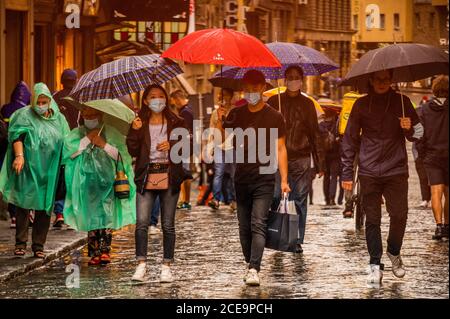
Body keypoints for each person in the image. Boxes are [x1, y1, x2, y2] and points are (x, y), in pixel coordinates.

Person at [341, 70, 423, 285]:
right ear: (370, 80)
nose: (382, 82)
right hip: (369, 170)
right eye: (378, 79)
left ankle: (394, 251)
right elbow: (349, 140)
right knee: (373, 220)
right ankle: (375, 263)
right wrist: (347, 172)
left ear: (392, 80)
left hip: (395, 169)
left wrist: (410, 128)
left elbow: (420, 132)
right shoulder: (361, 105)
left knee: (400, 215)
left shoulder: (403, 102)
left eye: (386, 79)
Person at [224, 70, 290, 286]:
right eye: (247, 89)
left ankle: (254, 268)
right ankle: (249, 262)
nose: (251, 93)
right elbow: (224, 140)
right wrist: (222, 120)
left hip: (265, 176)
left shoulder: (275, 116)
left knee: (258, 223)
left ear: (263, 88)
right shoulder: (238, 113)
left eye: (255, 88)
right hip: (241, 177)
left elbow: (281, 148)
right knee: (243, 227)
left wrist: (284, 180)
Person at [0, 83, 69, 258]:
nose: (41, 105)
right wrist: (19, 156)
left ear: (50, 101)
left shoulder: (59, 119)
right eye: (38, 102)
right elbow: (17, 136)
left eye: (44, 101)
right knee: (23, 204)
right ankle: (20, 244)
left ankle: (39, 245)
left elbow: (67, 141)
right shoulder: (24, 116)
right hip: (28, 168)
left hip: (50, 170)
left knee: (45, 208)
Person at [62, 105, 136, 265]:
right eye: (86, 115)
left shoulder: (112, 133)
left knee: (107, 216)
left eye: (93, 114)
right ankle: (94, 251)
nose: (90, 118)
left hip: (107, 181)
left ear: (101, 115)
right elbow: (69, 155)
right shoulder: (76, 134)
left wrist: (104, 144)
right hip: (86, 182)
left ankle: (105, 250)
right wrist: (86, 140)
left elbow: (121, 156)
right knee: (91, 216)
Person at [128, 85, 187, 282]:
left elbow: (187, 148)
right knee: (142, 222)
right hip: (146, 176)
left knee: (168, 224)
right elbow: (133, 151)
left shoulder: (177, 121)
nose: (157, 100)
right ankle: (141, 265)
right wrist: (135, 131)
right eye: (153, 97)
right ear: (145, 101)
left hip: (170, 176)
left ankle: (166, 266)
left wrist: (173, 144)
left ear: (167, 99)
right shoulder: (139, 122)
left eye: (161, 96)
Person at [267, 66, 325, 254]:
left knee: (300, 199)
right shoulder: (274, 102)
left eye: (296, 77)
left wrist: (319, 162)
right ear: (284, 80)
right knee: (276, 196)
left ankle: (297, 239)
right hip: (277, 156)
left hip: (300, 156)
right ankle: (277, 235)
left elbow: (315, 133)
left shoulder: (307, 104)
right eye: (290, 77)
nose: (293, 80)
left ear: (301, 80)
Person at [417, 75, 449, 240]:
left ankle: (438, 226)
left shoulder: (424, 109)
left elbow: (419, 135)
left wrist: (422, 154)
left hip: (432, 155)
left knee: (435, 192)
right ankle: (448, 226)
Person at [0, 81, 31, 228]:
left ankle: (13, 215)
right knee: (23, 182)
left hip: (6, 149)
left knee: (11, 181)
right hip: (21, 149)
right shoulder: (28, 111)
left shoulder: (5, 108)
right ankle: (24, 212)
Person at [52, 69, 79, 228]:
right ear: (75, 80)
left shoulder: (55, 97)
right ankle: (70, 214)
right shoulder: (80, 97)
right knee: (73, 177)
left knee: (60, 177)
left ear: (62, 80)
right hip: (76, 142)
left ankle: (60, 213)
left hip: (59, 142)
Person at [208, 88, 237, 211]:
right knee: (218, 172)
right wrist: (210, 146)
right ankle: (216, 199)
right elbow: (211, 130)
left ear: (231, 96)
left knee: (233, 174)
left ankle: (234, 200)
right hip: (219, 146)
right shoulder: (215, 112)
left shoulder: (235, 111)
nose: (223, 97)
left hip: (232, 145)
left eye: (226, 95)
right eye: (221, 95)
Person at [170, 90, 193, 211]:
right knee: (183, 171)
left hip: (183, 146)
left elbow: (184, 131)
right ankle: (184, 200)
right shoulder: (186, 110)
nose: (173, 103)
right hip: (184, 145)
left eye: (173, 101)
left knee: (185, 172)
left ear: (177, 98)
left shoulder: (185, 112)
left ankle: (186, 200)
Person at [319, 109, 340, 206]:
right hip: (335, 154)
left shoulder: (320, 126)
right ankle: (332, 198)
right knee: (334, 177)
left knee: (326, 177)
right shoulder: (337, 125)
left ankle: (326, 198)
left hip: (324, 155)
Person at [412, 106, 431, 209]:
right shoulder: (418, 119)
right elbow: (414, 139)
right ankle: (425, 199)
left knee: (431, 177)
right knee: (423, 177)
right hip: (418, 153)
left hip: (430, 152)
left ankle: (430, 198)